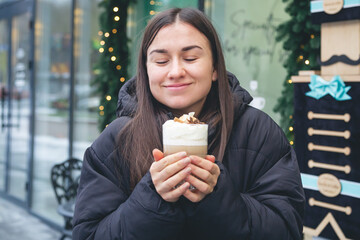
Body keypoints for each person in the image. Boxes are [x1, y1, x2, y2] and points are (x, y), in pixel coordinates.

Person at [73, 7, 305, 240]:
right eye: (161, 61)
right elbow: (88, 235)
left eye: (191, 58)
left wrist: (219, 197)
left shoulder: (258, 132)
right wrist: (152, 197)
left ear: (215, 68)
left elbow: (287, 230)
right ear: (146, 69)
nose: (175, 72)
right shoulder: (116, 139)